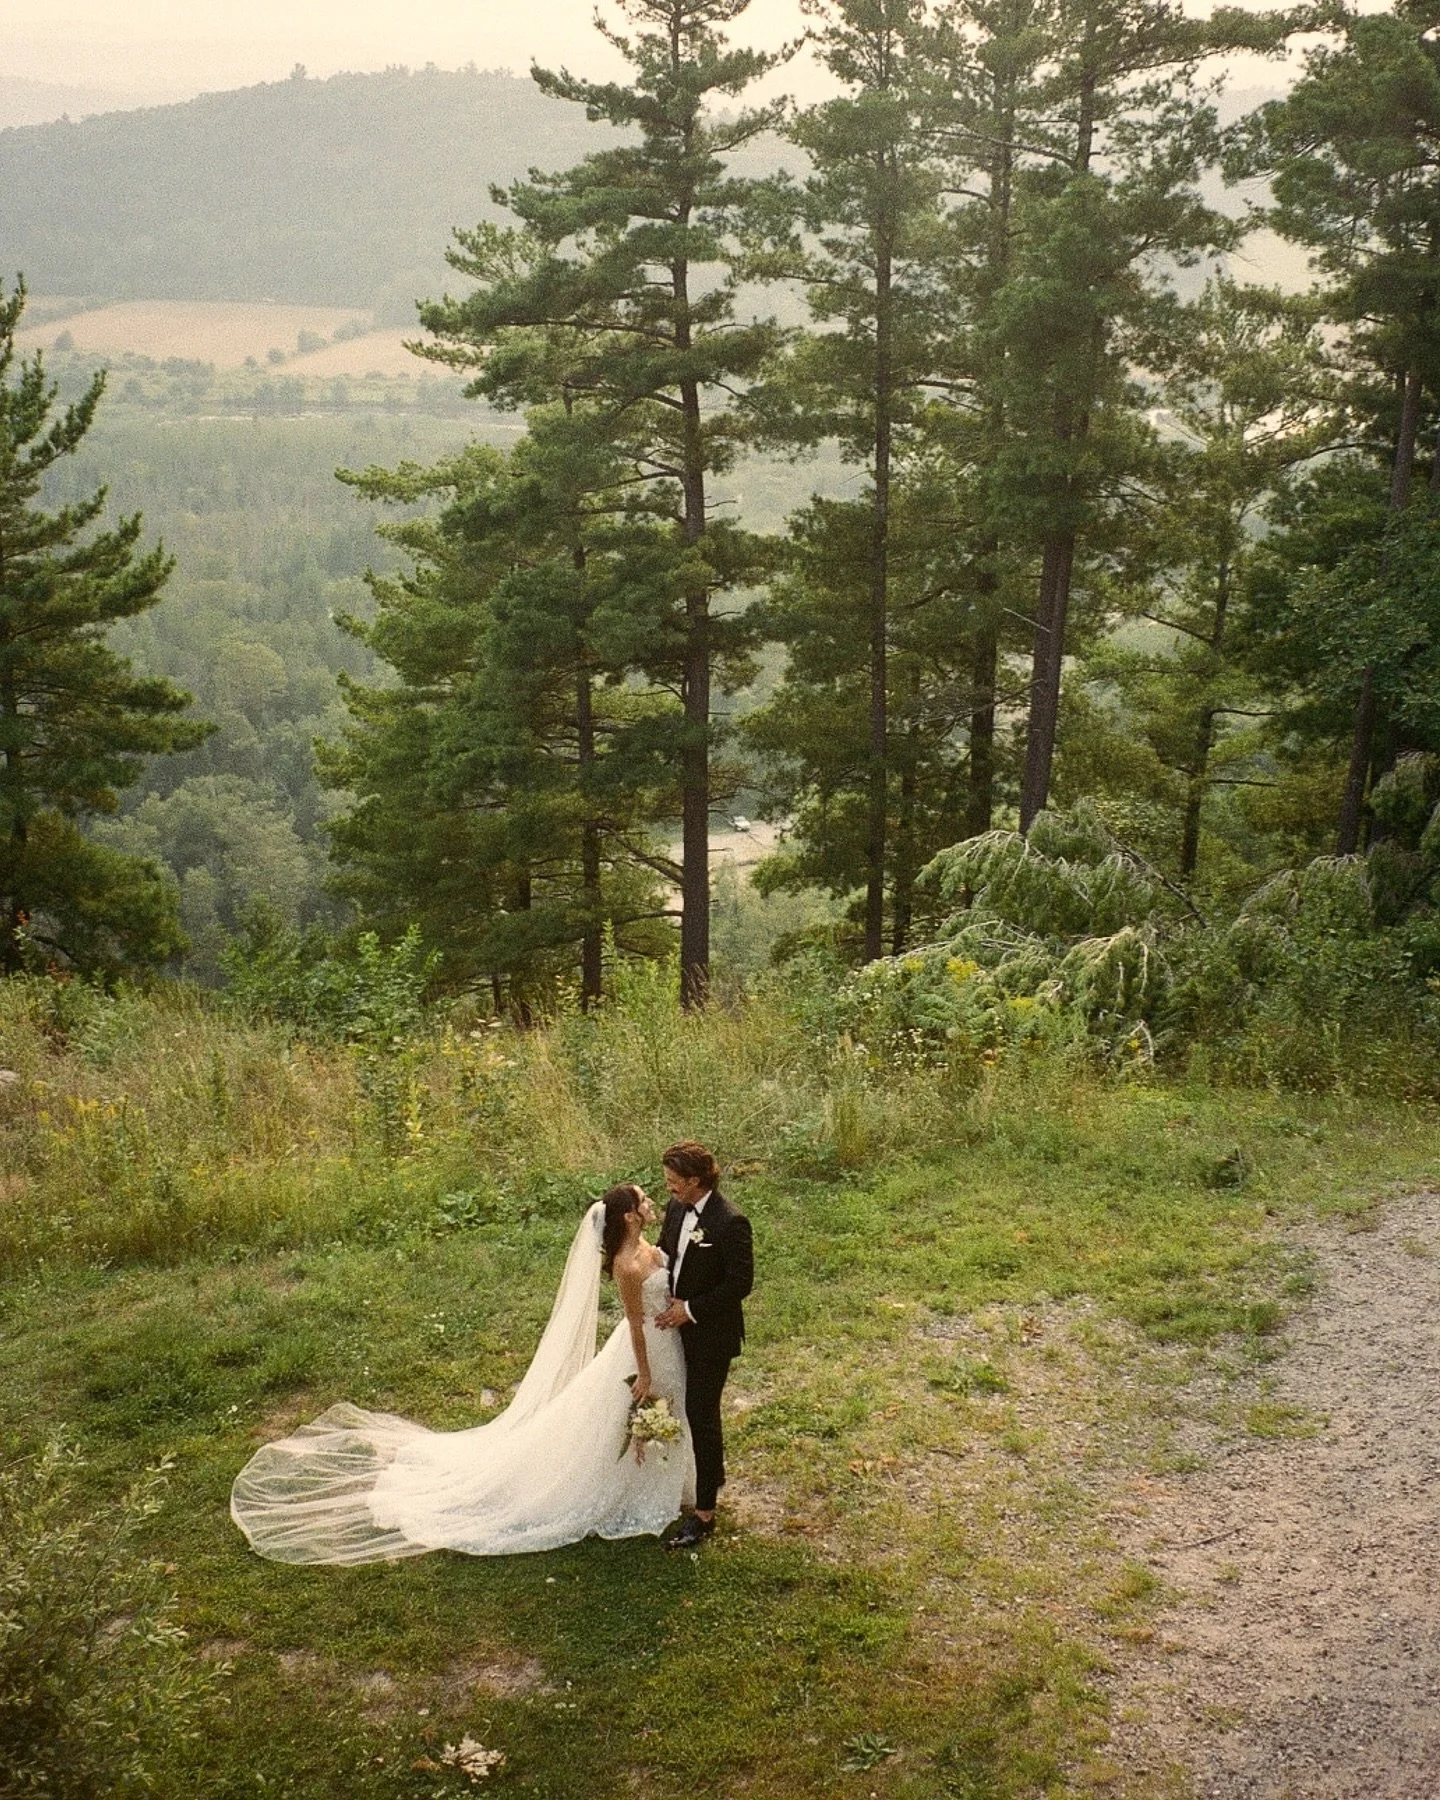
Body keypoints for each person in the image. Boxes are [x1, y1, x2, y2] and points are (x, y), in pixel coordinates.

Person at [229, 1184, 693, 1562]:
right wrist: (645, 1373)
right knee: (634, 1410)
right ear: (630, 1216)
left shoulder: (648, 1247)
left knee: (670, 1409)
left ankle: (667, 1482)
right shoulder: (627, 1265)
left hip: (667, 1339)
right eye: (643, 1201)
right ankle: (623, 1487)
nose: (652, 1202)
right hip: (643, 1350)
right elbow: (634, 1323)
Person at [654, 1140, 754, 1549]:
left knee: (702, 1414)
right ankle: (704, 1477)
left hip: (710, 1333)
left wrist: (690, 1310)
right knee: (678, 1406)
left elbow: (739, 1284)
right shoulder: (679, 1208)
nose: (669, 1190)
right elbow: (665, 1252)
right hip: (671, 1327)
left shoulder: (730, 1222)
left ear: (695, 1181)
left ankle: (705, 1513)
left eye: (675, 1182)